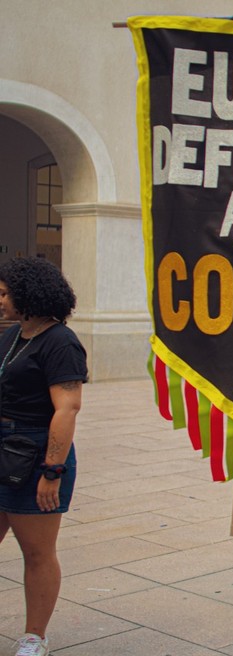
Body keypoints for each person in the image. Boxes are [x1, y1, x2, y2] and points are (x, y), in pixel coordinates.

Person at [0, 257, 87, 656]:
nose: (1, 300)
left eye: (6, 294)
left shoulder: (60, 342)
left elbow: (67, 408)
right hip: (3, 445)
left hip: (34, 451)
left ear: (29, 296)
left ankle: (34, 637)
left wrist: (52, 470)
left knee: (36, 552)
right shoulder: (13, 335)